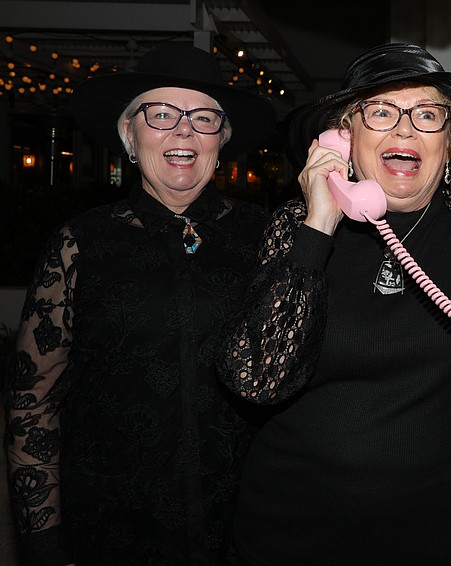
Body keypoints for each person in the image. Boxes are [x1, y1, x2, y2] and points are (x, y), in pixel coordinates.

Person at [218, 43, 451, 566]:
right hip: (292, 530)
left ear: (449, 142)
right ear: (345, 138)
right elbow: (258, 379)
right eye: (380, 111)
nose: (405, 130)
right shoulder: (295, 226)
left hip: (430, 531)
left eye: (427, 115)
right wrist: (318, 225)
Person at [3, 44, 276, 566]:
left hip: (245, 526)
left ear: (222, 138)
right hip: (113, 526)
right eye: (162, 114)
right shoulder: (80, 243)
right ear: (129, 134)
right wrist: (44, 542)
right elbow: (32, 401)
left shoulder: (266, 238)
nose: (184, 132)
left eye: (203, 118)